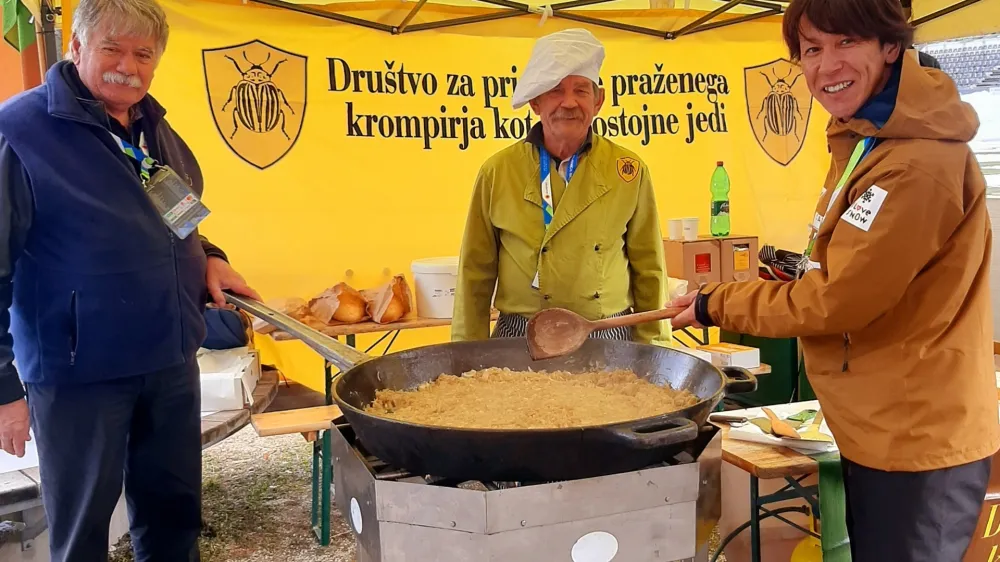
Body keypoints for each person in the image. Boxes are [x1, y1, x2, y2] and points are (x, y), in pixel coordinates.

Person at [669, 0, 999, 559]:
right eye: (811, 50)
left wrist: (716, 303)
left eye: (846, 42)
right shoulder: (865, 138)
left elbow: (836, 301)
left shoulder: (916, 163)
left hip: (917, 434)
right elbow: (840, 267)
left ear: (890, 46)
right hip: (878, 422)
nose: (826, 66)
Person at [0, 0, 260, 558]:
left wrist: (211, 256)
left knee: (173, 519)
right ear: (76, 47)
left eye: (144, 54)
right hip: (78, 374)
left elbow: (181, 215)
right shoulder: (19, 132)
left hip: (167, 360)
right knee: (83, 533)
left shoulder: (153, 129)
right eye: (112, 49)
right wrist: (4, 389)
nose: (129, 66)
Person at [452, 28, 666, 344]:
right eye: (555, 90)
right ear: (536, 102)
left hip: (607, 332)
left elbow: (650, 268)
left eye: (581, 90)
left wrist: (656, 347)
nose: (569, 102)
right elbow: (475, 273)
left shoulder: (629, 172)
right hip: (520, 332)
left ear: (599, 100)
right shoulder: (497, 172)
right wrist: (466, 354)